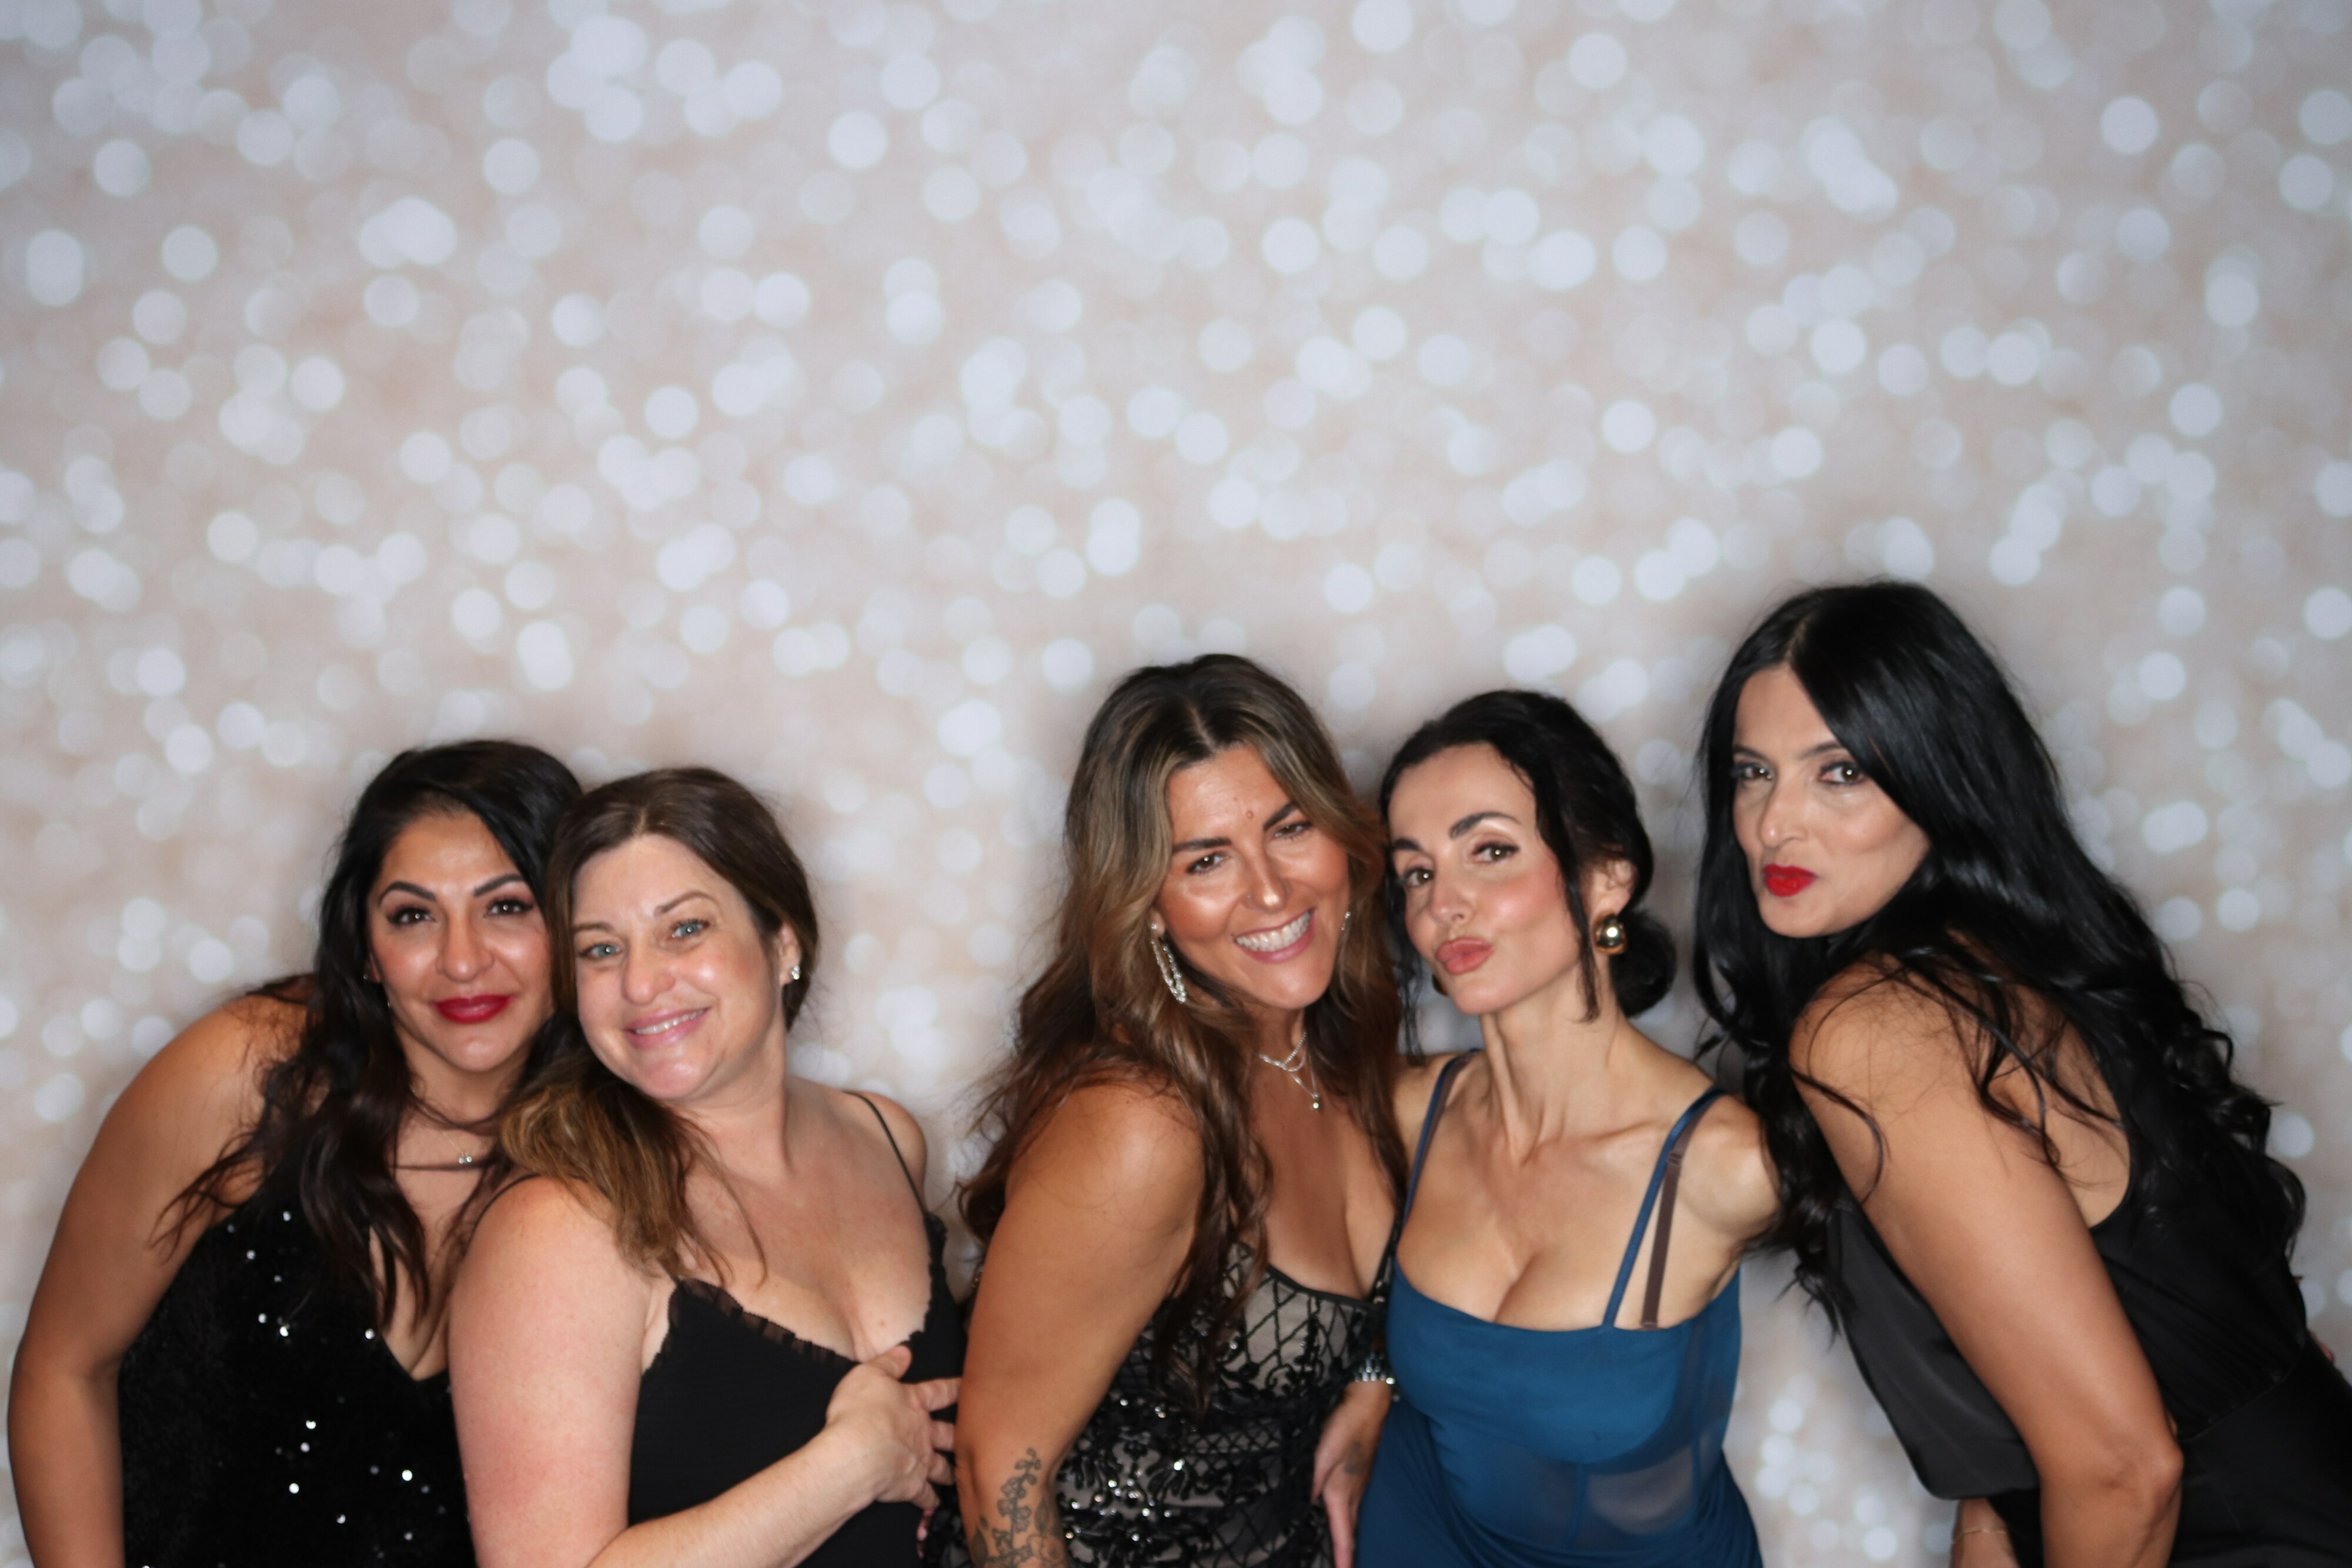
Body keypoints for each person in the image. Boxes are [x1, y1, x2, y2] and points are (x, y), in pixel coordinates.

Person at [1693, 581, 2352, 1566]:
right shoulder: (2008, 963)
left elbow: (2126, 1469)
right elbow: (2094, 1315)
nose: (1774, 824)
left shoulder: (1877, 1029)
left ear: (1939, 779)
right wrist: (1991, 1514)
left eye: (1840, 773)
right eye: (1753, 773)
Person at [9, 740, 581, 1568]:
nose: (463, 960)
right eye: (413, 915)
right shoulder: (247, 1076)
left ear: (576, 925)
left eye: (508, 907)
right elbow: (65, 1371)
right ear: (366, 949)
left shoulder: (608, 1156)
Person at [449, 767, 960, 1568]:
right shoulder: (554, 1230)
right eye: (601, 950)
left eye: (684, 929)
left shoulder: (886, 1137)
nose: (640, 983)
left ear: (782, 942)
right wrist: (848, 1468)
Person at [957, 654, 1402, 1568]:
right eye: (1207, 860)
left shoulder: (1343, 1055)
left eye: (1290, 828)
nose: (1270, 891)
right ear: (1149, 906)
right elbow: (997, 1468)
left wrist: (1370, 1384)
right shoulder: (1143, 1121)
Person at [1358, 690, 1773, 1567]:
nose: (1444, 904)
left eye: (1490, 851)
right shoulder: (1407, 1110)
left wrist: (1989, 1510)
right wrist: (1366, 1384)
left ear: (1606, 876)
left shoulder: (1723, 1164)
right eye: (1418, 873)